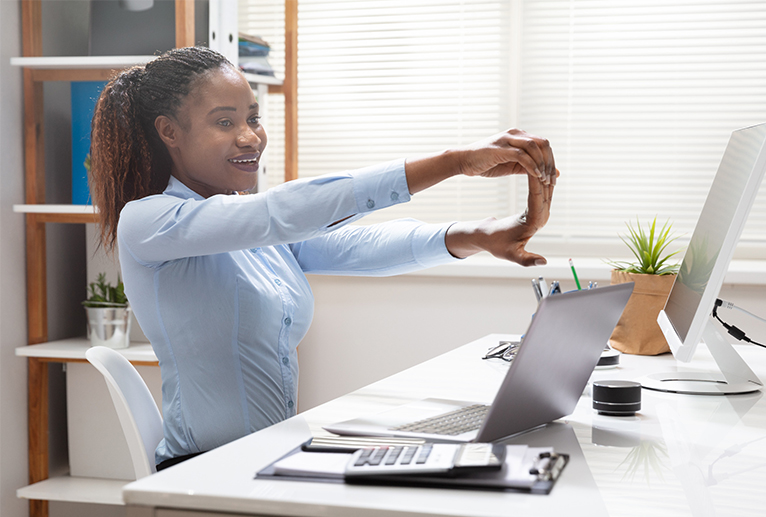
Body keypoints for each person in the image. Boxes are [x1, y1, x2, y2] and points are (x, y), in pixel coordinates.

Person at [90, 46, 558, 470]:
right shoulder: (149, 222)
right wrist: (454, 162)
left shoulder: (244, 224)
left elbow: (353, 246)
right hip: (206, 471)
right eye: (225, 122)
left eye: (253, 118)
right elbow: (280, 213)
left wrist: (477, 235)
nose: (251, 137)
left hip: (271, 460)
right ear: (169, 132)